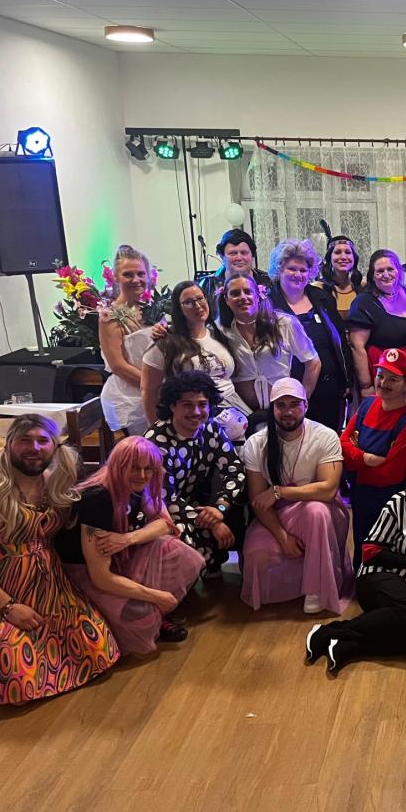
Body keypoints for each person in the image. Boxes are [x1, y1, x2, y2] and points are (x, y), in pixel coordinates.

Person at [0, 415, 119, 705]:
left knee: (101, 651)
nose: (34, 447)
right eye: (24, 440)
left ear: (55, 446)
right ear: (8, 445)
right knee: (17, 681)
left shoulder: (52, 482)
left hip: (51, 585)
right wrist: (8, 607)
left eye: (42, 440)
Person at [304, 440, 406, 673]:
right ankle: (330, 631)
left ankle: (352, 646)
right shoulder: (399, 503)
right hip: (380, 576)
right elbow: (369, 551)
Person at [55, 436, 204, 653]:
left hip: (115, 557)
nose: (142, 475)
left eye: (148, 469)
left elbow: (165, 524)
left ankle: (155, 614)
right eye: (133, 467)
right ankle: (149, 613)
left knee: (175, 549)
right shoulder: (98, 499)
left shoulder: (137, 485)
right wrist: (156, 596)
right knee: (138, 616)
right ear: (118, 466)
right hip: (82, 574)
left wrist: (128, 539)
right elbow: (100, 578)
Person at [241, 378, 354, 615]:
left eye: (294, 404)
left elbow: (328, 490)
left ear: (306, 405)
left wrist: (279, 491)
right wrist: (283, 537)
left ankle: (317, 589)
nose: (288, 411)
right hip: (278, 513)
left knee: (316, 511)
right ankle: (297, 585)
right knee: (256, 554)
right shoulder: (256, 443)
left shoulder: (325, 436)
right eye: (280, 405)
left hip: (322, 510)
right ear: (272, 408)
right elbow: (258, 502)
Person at [144, 371, 246, 571]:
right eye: (187, 405)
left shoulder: (211, 428)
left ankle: (217, 573)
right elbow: (166, 499)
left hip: (197, 506)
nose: (196, 411)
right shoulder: (157, 442)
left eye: (202, 404)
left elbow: (235, 470)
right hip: (156, 512)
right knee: (187, 540)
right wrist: (213, 523)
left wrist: (220, 507)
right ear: (172, 406)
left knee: (237, 522)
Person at [141, 279, 249, 441]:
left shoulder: (219, 333)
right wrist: (156, 430)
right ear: (178, 309)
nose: (197, 305)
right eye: (188, 302)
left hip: (234, 412)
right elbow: (148, 390)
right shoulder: (166, 342)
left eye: (200, 298)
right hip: (192, 416)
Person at [342, 347, 406, 556]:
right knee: (361, 548)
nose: (383, 383)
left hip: (390, 501)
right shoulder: (368, 404)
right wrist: (367, 458)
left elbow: (392, 473)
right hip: (360, 495)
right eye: (380, 375)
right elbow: (342, 444)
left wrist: (355, 461)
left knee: (386, 552)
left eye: (393, 379)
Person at [267, 238, 351, 431]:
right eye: (292, 269)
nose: (298, 275)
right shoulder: (268, 304)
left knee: (328, 441)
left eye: (303, 270)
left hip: (330, 391)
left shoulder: (323, 298)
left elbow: (340, 341)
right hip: (290, 397)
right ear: (279, 270)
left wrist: (346, 380)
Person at [218, 273, 320, 415]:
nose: (242, 297)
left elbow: (313, 363)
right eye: (235, 293)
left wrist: (301, 400)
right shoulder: (220, 331)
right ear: (226, 299)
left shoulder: (284, 323)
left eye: (248, 292)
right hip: (240, 413)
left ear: (258, 295)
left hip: (282, 413)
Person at [347, 249, 406, 407]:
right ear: (372, 275)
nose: (386, 274)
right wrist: (366, 386)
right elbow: (357, 346)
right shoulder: (364, 302)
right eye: (380, 271)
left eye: (390, 269)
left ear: (398, 271)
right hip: (384, 377)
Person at [98, 244, 158, 435]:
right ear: (116, 277)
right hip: (132, 395)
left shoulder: (149, 309)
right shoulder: (110, 316)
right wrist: (155, 385)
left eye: (141, 274)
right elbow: (118, 365)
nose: (136, 280)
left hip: (156, 390)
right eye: (128, 275)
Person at [199, 228, 259, 304]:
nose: (239, 258)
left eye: (244, 253)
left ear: (252, 256)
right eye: (233, 253)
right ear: (222, 257)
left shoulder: (268, 282)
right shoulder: (206, 285)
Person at [321, 233, 362, 331]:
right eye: (337, 252)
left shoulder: (363, 286)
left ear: (354, 258)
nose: (343, 257)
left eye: (348, 252)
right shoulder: (318, 288)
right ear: (330, 258)